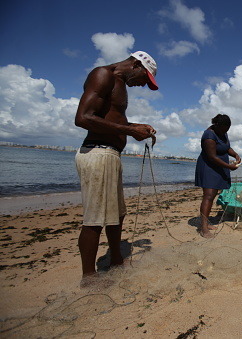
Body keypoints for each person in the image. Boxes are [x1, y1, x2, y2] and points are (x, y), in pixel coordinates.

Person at [74, 51, 159, 286]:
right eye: (145, 78)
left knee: (117, 214)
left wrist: (135, 126)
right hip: (97, 153)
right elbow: (82, 118)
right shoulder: (103, 75)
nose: (143, 84)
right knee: (94, 219)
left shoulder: (119, 84)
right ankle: (89, 277)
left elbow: (114, 120)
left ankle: (117, 260)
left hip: (110, 155)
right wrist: (131, 132)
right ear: (135, 64)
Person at [195, 114, 241, 238]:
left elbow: (226, 147)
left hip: (219, 166)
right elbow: (212, 157)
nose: (225, 132)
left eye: (227, 130)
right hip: (209, 167)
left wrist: (235, 155)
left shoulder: (223, 132)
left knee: (213, 195)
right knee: (208, 195)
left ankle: (206, 221)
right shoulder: (209, 135)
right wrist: (229, 166)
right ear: (217, 125)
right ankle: (203, 228)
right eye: (224, 129)